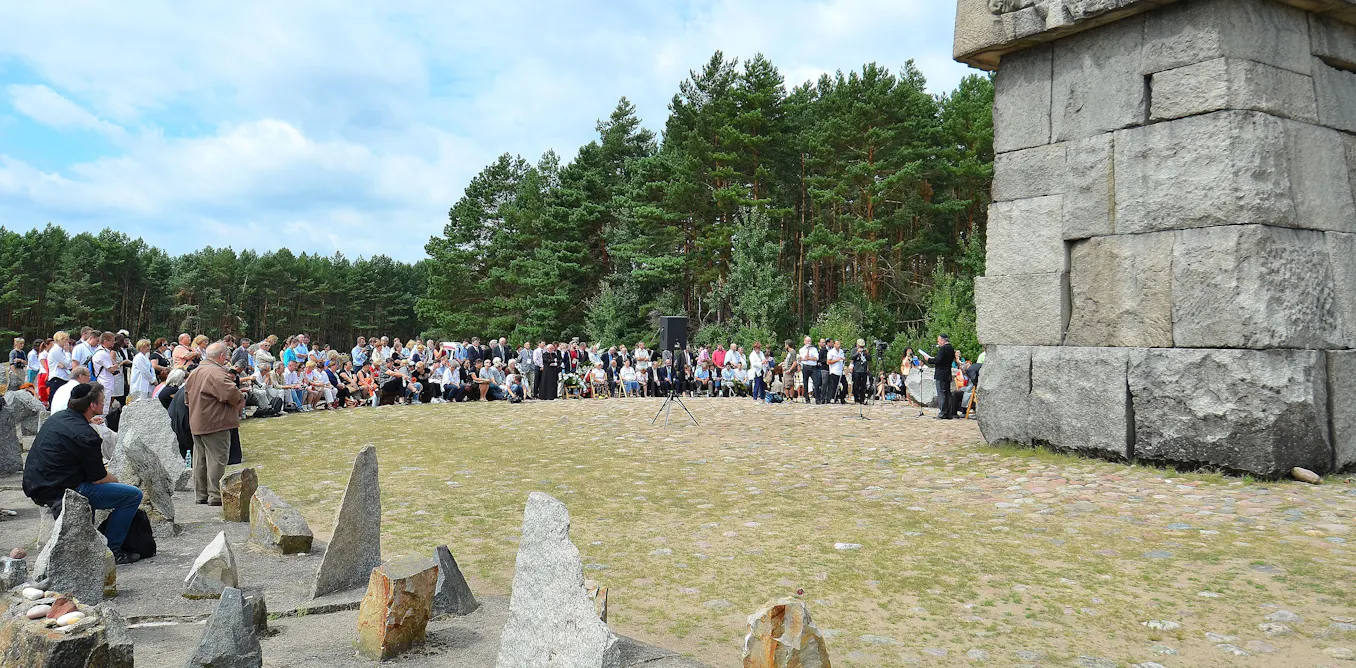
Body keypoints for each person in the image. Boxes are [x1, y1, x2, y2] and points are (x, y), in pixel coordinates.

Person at [22, 382, 144, 563]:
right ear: (92, 406)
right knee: (133, 495)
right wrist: (117, 480)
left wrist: (88, 422)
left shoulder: (58, 418)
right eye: (102, 401)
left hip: (35, 484)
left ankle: (95, 543)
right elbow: (99, 478)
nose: (106, 404)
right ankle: (111, 551)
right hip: (62, 491)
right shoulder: (87, 436)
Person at [184, 342, 245, 506]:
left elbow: (186, 398)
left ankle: (201, 495)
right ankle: (215, 495)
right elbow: (231, 394)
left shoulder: (195, 372)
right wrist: (240, 397)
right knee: (217, 459)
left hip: (198, 420)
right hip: (215, 422)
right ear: (222, 357)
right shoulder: (216, 373)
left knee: (200, 460)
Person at [919, 334, 957, 419]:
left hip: (941, 373)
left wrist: (928, 359)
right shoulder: (951, 348)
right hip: (947, 373)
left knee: (941, 393)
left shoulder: (943, 348)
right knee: (947, 393)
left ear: (943, 341)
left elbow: (938, 360)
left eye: (939, 340)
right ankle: (949, 413)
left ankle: (943, 413)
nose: (938, 342)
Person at [797, 336, 818, 404]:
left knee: (816, 383)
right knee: (805, 383)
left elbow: (816, 358)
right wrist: (801, 360)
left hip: (813, 367)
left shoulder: (814, 349)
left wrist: (808, 358)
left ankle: (817, 398)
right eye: (807, 341)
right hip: (805, 367)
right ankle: (807, 398)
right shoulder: (801, 350)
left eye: (810, 341)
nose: (809, 343)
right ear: (804, 342)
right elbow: (801, 359)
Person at [851, 339, 871, 404]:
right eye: (860, 346)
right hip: (856, 370)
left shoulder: (865, 350)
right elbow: (852, 357)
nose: (861, 347)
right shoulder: (854, 350)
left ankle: (862, 399)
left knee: (863, 385)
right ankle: (856, 398)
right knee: (856, 385)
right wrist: (857, 352)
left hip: (863, 370)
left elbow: (869, 358)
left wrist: (867, 353)